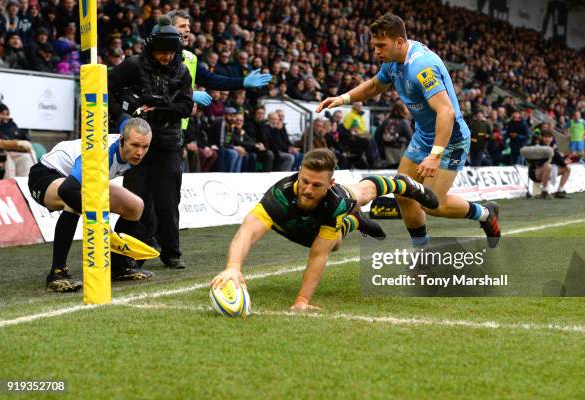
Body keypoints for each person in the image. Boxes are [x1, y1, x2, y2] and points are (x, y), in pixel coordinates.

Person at [316, 13, 500, 248]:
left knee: (433, 204)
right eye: (374, 46)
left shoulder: (421, 67)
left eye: (381, 46)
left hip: (450, 138)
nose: (376, 51)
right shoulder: (393, 61)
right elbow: (374, 85)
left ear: (399, 42)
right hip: (423, 135)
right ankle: (422, 252)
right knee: (403, 192)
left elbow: (446, 112)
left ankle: (486, 214)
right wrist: (342, 99)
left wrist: (435, 155)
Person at [211, 148, 438, 310]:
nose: (308, 189)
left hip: (322, 218)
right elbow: (247, 231)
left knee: (362, 197)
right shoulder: (280, 195)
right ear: (299, 172)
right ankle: (355, 222)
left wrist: (301, 300)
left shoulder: (335, 201)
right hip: (287, 223)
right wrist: (232, 267)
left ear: (330, 184)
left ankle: (404, 184)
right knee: (334, 240)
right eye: (305, 181)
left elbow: (317, 257)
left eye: (317, 185)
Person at [27, 118, 154, 292]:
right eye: (135, 145)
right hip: (45, 176)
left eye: (145, 147)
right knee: (73, 200)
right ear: (121, 140)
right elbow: (67, 189)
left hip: (83, 181)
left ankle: (119, 267)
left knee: (135, 206)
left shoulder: (135, 152)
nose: (140, 152)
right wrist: (103, 224)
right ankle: (57, 273)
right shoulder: (100, 153)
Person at [108, 17, 193, 269]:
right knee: (136, 199)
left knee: (169, 201)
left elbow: (187, 106)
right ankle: (134, 253)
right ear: (151, 48)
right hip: (136, 145)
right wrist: (123, 115)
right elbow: (106, 90)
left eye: (170, 52)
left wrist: (159, 108)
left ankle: (171, 252)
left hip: (168, 144)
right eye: (161, 52)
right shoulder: (132, 65)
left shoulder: (183, 71)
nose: (166, 57)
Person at [529, 130, 571, 199]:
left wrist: (565, 162)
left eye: (549, 137)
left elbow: (560, 162)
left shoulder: (553, 148)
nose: (547, 139)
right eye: (545, 137)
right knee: (548, 166)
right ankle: (544, 192)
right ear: (542, 138)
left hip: (548, 171)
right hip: (536, 173)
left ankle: (559, 191)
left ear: (552, 139)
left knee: (567, 169)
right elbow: (538, 163)